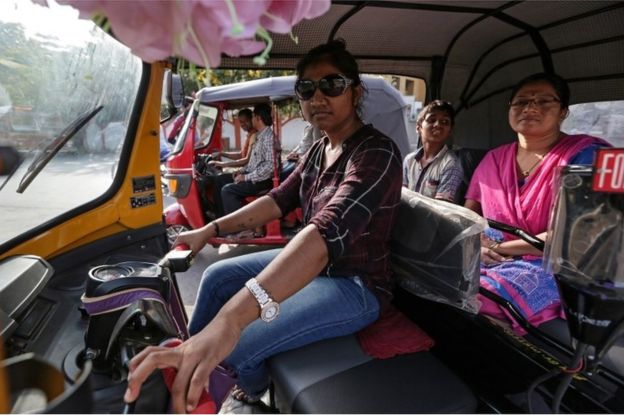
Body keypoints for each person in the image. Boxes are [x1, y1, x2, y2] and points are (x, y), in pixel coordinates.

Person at [124, 39, 403, 413]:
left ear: (355, 91)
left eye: (331, 85)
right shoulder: (320, 149)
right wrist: (209, 230)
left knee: (238, 339)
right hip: (318, 271)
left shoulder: (376, 152)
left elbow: (324, 234)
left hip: (355, 285)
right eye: (306, 88)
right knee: (217, 277)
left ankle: (244, 387)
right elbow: (277, 200)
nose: (317, 97)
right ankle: (191, 363)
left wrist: (230, 321)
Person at [464, 72, 609, 334]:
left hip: (556, 264)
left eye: (544, 101)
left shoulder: (588, 156)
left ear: (563, 111)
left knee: (481, 296)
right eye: (521, 102)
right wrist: (474, 246)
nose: (530, 108)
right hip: (490, 255)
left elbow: (579, 236)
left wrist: (501, 248)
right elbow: (466, 217)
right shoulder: (493, 159)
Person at [220, 103, 276, 216]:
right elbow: (253, 162)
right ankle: (223, 218)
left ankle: (240, 228)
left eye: (253, 117)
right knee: (221, 180)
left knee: (227, 190)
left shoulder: (268, 137)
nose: (252, 119)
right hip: (255, 176)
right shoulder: (260, 136)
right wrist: (241, 172)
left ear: (258, 118)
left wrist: (246, 177)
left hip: (261, 181)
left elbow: (270, 166)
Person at [402, 100, 464, 203]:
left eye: (444, 122)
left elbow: (441, 211)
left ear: (450, 131)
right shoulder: (409, 160)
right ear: (419, 128)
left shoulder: (451, 164)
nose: (438, 125)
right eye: (432, 120)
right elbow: (401, 196)